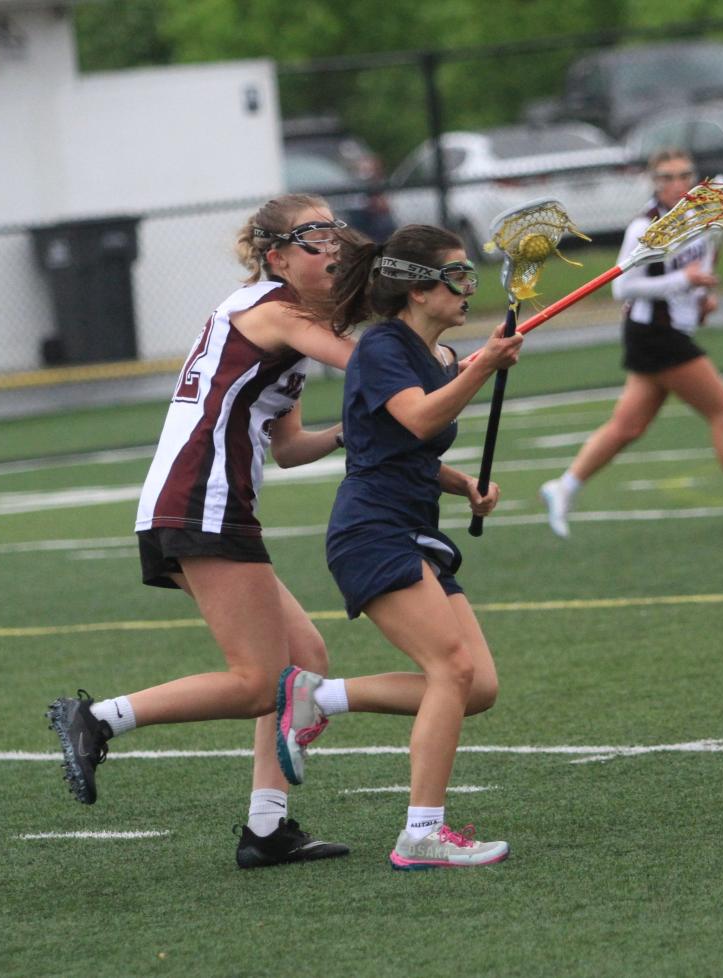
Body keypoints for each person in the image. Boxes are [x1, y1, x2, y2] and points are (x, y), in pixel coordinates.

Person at [46, 194, 358, 869]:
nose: (333, 246)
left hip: (205, 503)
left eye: (336, 231)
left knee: (303, 660)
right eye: (314, 238)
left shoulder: (285, 323)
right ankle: (98, 720)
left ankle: (267, 829)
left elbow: (293, 445)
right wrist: (453, 361)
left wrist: (348, 432)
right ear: (276, 256)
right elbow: (368, 364)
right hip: (201, 502)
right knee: (259, 682)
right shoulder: (275, 311)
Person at [274, 225, 523, 870]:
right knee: (452, 671)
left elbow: (394, 443)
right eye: (457, 276)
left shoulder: (437, 358)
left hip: (413, 525)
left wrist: (462, 481)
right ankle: (421, 833)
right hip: (372, 530)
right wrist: (485, 369)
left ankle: (319, 698)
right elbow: (417, 418)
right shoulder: (382, 347)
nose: (468, 288)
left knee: (479, 686)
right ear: (416, 289)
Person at [539, 148, 723, 537]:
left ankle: (564, 486)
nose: (678, 184)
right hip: (654, 335)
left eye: (684, 175)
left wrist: (700, 297)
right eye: (667, 177)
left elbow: (699, 266)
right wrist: (685, 283)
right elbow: (622, 288)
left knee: (627, 427)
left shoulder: (697, 219)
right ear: (654, 182)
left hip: (668, 333)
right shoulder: (643, 228)